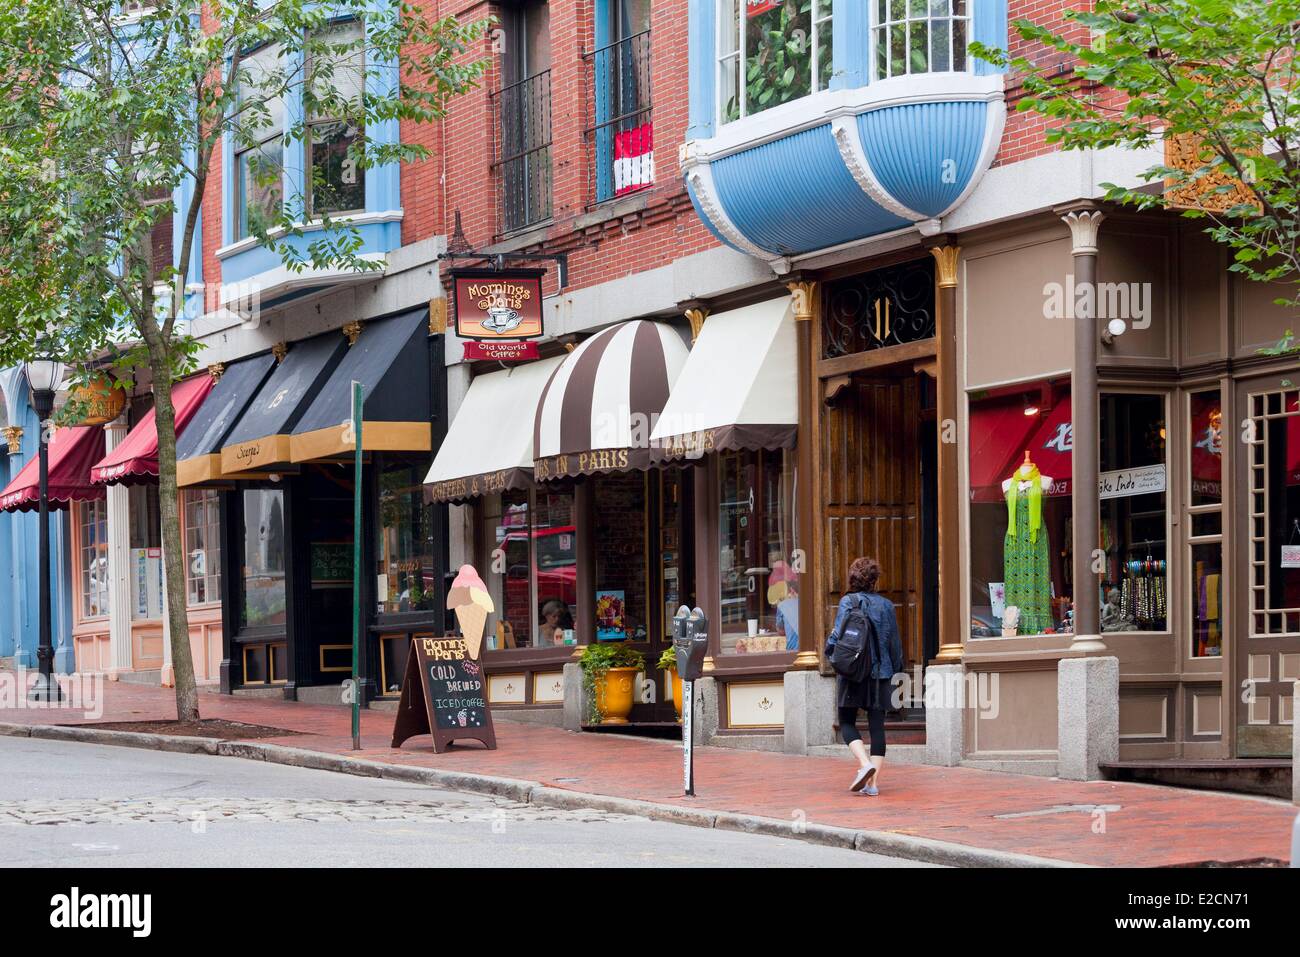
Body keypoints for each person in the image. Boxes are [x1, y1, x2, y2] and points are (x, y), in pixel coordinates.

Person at [824, 556, 904, 796]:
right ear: (875, 580)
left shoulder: (848, 602)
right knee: (877, 727)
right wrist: (896, 671)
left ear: (853, 578)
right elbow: (895, 644)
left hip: (854, 674)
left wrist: (831, 656)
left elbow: (838, 637)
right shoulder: (887, 606)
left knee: (847, 722)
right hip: (882, 672)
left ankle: (864, 763)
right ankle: (873, 785)